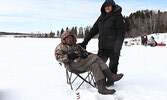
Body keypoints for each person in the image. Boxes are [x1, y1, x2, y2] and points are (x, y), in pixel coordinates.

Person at [55, 30, 123, 95]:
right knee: (95, 57)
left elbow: (84, 51)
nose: (69, 39)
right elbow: (58, 58)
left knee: (95, 65)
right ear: (64, 39)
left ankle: (101, 88)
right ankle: (110, 75)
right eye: (67, 38)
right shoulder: (60, 47)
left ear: (73, 38)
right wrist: (69, 56)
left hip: (82, 63)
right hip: (72, 65)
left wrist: (84, 54)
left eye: (70, 38)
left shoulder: (76, 45)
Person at [79, 0, 126, 86]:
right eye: (105, 6)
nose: (107, 7)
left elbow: (121, 34)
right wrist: (84, 42)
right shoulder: (101, 17)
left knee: (113, 65)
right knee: (99, 64)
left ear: (113, 6)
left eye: (109, 6)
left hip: (114, 47)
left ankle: (110, 81)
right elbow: (93, 30)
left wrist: (117, 48)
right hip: (103, 46)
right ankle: (100, 79)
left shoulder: (118, 16)